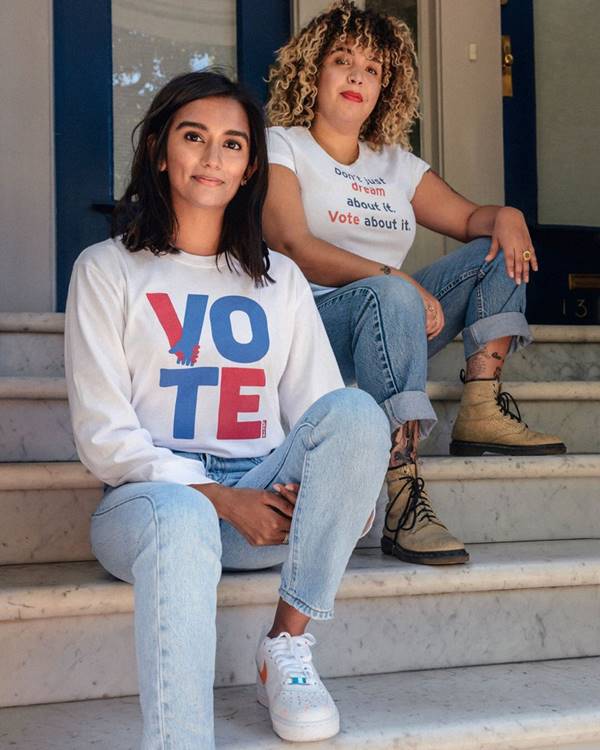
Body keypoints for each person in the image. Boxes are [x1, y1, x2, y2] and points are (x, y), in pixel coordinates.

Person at [65, 70, 390, 749]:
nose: (213, 157)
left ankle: (286, 647)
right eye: (194, 137)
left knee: (357, 414)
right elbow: (104, 437)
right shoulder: (107, 270)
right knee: (184, 513)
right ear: (159, 150)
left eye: (234, 144)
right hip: (152, 506)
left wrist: (327, 493)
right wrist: (216, 497)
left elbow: (321, 413)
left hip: (263, 506)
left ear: (249, 169)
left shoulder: (280, 280)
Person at [263, 0, 566, 568]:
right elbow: (292, 245)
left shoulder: (395, 163)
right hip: (312, 334)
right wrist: (394, 278)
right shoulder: (283, 146)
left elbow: (471, 218)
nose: (357, 76)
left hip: (393, 332)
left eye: (373, 69)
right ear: (313, 71)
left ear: (386, 86)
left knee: (493, 250)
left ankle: (480, 403)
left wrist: (505, 215)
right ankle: (402, 497)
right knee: (391, 292)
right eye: (342, 60)